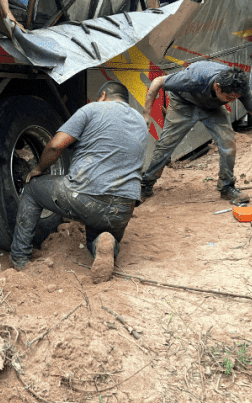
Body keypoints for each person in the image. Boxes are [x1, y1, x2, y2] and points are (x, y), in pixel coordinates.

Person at [9, 81, 148, 283]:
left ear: (102, 95)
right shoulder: (140, 122)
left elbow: (56, 146)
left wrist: (40, 168)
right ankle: (105, 241)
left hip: (85, 197)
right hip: (123, 206)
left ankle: (19, 257)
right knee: (96, 238)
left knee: (32, 189)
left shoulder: (93, 109)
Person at [140, 61, 252, 204]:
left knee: (228, 144)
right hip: (184, 103)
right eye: (230, 98)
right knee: (166, 144)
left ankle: (226, 187)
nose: (232, 102)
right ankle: (146, 184)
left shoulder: (239, 86)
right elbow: (157, 82)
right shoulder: (193, 78)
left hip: (213, 108)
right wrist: (146, 113)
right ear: (218, 87)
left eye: (235, 98)